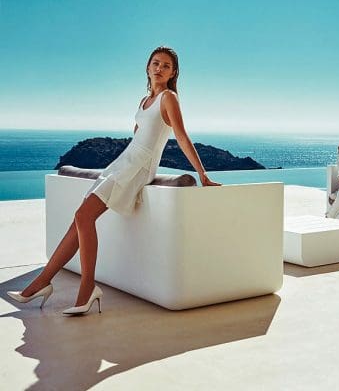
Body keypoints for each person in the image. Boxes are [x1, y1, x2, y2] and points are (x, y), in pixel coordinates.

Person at [7, 46, 220, 316]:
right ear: (147, 67)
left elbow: (180, 136)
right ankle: (42, 282)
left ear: (173, 72)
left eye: (166, 66)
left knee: (83, 216)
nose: (159, 68)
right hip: (123, 161)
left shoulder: (169, 98)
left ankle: (86, 287)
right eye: (155, 63)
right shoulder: (143, 101)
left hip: (138, 166)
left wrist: (202, 173)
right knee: (80, 220)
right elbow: (139, 134)